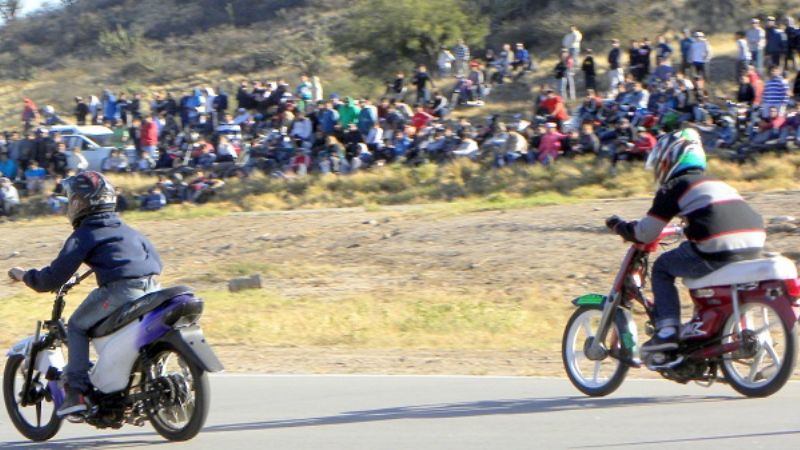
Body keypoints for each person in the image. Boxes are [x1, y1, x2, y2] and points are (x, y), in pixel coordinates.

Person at [8, 172, 162, 416]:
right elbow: (154, 261)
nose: (69, 205)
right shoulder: (127, 229)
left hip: (120, 291)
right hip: (153, 288)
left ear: (80, 203)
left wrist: (24, 275)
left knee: (77, 325)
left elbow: (51, 279)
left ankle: (76, 391)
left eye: (71, 199)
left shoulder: (85, 234)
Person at [606, 129, 764, 357]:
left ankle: (667, 330)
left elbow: (646, 233)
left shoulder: (675, 186)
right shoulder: (716, 183)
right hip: (754, 243)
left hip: (717, 247)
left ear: (670, 158)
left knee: (662, 267)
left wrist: (619, 226)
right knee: (692, 256)